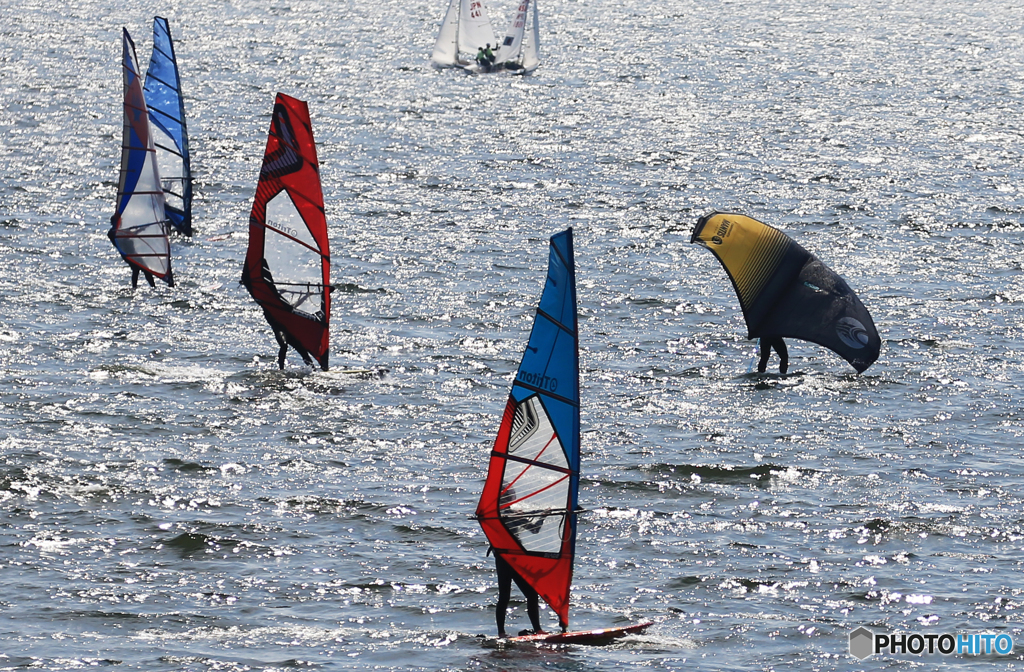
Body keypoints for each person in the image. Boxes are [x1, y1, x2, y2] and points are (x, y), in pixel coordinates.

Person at [491, 548, 545, 638]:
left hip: (518, 557)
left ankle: (538, 630)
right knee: (504, 596)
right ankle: (501, 633)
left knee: (532, 595)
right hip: (503, 558)